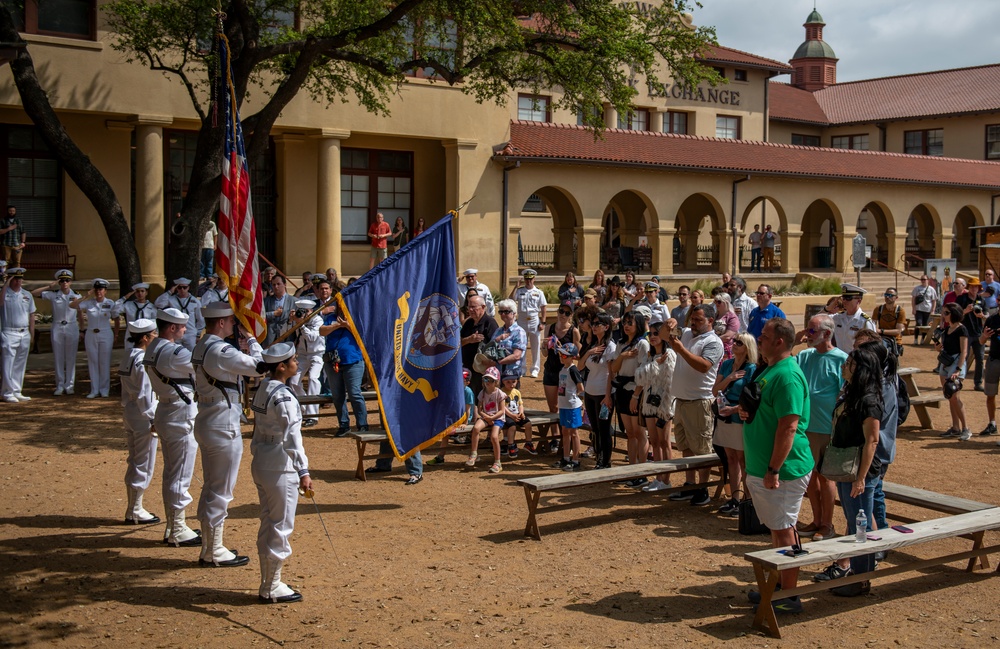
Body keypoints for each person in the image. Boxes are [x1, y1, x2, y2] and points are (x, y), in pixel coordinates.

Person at [741, 318, 813, 615]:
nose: (759, 338)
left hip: (782, 471)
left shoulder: (787, 376)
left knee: (784, 530)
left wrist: (773, 470)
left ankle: (790, 595)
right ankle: (779, 586)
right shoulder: (772, 368)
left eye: (765, 335)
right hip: (767, 468)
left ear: (779, 341)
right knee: (779, 528)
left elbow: (789, 427)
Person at [192, 301, 264, 567]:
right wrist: (253, 341)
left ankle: (210, 546)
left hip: (209, 418)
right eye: (232, 321)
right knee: (221, 491)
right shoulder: (221, 349)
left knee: (212, 486)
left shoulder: (202, 345)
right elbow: (259, 366)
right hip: (222, 423)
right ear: (220, 322)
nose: (235, 326)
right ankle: (214, 550)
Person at [813, 344, 884, 598]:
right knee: (853, 523)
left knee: (859, 527)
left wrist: (862, 478)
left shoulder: (869, 401)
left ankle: (861, 579)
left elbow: (872, 442)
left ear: (861, 369)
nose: (844, 366)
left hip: (860, 471)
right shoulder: (850, 394)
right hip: (847, 467)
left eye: (850, 364)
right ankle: (856, 573)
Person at [250, 342, 311, 604]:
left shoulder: (264, 387)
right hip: (279, 462)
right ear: (282, 367)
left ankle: (269, 582)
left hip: (262, 458)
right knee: (281, 524)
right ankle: (271, 585)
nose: (297, 364)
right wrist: (303, 470)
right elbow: (292, 437)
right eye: (294, 360)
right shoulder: (283, 396)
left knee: (269, 521)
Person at [145, 307, 201, 547]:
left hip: (166, 411)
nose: (185, 330)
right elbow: (202, 366)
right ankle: (177, 528)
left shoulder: (152, 347)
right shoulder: (175, 352)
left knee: (171, 472)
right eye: (181, 326)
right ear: (171, 328)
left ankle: (173, 525)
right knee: (180, 475)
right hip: (180, 413)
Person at [666, 303, 724, 507]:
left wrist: (681, 350)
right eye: (693, 318)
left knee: (702, 448)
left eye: (699, 319)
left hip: (700, 401)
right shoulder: (688, 333)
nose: (694, 322)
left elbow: (703, 366)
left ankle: (702, 488)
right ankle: (689, 485)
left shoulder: (713, 342)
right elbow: (666, 333)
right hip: (682, 400)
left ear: (710, 321)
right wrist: (670, 323)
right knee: (686, 447)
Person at [794, 314, 846, 542]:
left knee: (826, 478)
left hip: (828, 429)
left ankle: (827, 524)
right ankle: (816, 519)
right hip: (805, 428)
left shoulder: (841, 359)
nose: (808, 334)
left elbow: (845, 397)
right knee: (810, 477)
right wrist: (794, 341)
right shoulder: (804, 356)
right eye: (807, 330)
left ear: (827, 334)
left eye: (812, 331)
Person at [119, 318, 160, 525]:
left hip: (130, 411)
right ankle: (135, 509)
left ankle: (133, 507)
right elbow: (145, 393)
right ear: (145, 338)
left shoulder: (128, 356)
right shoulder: (142, 359)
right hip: (143, 414)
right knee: (143, 461)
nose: (156, 337)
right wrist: (153, 418)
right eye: (154, 334)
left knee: (135, 459)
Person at [712, 331, 757, 515]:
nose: (734, 344)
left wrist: (734, 409)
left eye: (739, 342)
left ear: (747, 347)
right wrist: (730, 378)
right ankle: (735, 499)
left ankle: (747, 501)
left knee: (742, 460)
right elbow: (715, 390)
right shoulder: (727, 364)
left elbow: (752, 398)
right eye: (734, 341)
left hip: (739, 417)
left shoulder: (752, 369)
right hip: (724, 416)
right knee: (730, 458)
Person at [317, 279, 369, 438]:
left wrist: (347, 325)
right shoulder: (331, 316)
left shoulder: (357, 316)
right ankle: (344, 424)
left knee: (354, 393)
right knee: (338, 395)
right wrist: (337, 325)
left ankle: (362, 424)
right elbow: (321, 331)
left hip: (352, 360)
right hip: (332, 361)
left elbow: (363, 333)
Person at [610, 309, 650, 487]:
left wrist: (636, 395)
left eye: (630, 323)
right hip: (622, 390)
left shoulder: (643, 345)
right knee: (630, 433)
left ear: (638, 325)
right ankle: (631, 470)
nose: (626, 326)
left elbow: (644, 373)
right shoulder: (620, 343)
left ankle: (641, 473)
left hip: (635, 390)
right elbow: (613, 368)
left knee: (640, 433)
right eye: (624, 322)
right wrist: (623, 356)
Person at [635, 321, 676, 491]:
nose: (652, 337)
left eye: (656, 333)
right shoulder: (650, 357)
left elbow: (670, 381)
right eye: (650, 333)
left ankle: (666, 480)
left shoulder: (671, 354)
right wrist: (655, 364)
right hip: (649, 403)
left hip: (664, 404)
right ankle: (658, 478)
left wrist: (652, 367)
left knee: (665, 442)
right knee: (655, 441)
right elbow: (639, 378)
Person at [71, 279, 123, 399]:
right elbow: (72, 305)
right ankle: (94, 389)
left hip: (105, 333)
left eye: (101, 289)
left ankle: (104, 389)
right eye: (96, 289)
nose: (98, 292)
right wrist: (86, 295)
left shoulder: (110, 303)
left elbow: (116, 320)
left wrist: (116, 335)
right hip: (91, 333)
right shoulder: (89, 303)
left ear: (105, 291)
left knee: (104, 362)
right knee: (93, 361)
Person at [32, 269, 81, 395]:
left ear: (70, 282)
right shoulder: (53, 294)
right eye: (62, 280)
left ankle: (69, 385)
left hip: (72, 327)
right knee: (58, 357)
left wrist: (82, 330)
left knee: (71, 357)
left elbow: (80, 314)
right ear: (59, 282)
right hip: (58, 327)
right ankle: (60, 385)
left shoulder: (77, 295)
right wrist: (49, 286)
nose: (64, 283)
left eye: (67, 280)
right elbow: (34, 293)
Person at [540, 301, 580, 453]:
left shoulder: (574, 331)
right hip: (550, 370)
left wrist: (561, 348)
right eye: (561, 311)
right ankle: (555, 439)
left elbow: (578, 354)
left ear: (571, 315)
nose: (563, 315)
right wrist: (545, 346)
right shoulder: (550, 328)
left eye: (567, 313)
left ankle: (567, 440)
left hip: (567, 374)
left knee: (566, 405)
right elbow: (544, 353)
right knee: (553, 407)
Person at [580, 312, 617, 469]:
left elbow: (611, 374)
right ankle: (598, 456)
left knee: (604, 428)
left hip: (603, 393)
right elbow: (580, 366)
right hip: (590, 392)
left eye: (597, 324)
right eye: (593, 324)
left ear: (606, 327)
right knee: (594, 428)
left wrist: (608, 396)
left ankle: (605, 460)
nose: (593, 327)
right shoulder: (593, 345)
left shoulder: (610, 346)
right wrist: (588, 352)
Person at [935, 302, 970, 440]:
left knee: (955, 397)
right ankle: (955, 427)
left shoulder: (962, 329)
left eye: (946, 313)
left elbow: (964, 351)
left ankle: (966, 428)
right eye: (943, 312)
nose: (944, 316)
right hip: (945, 363)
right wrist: (938, 348)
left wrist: (958, 369)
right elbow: (944, 348)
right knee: (950, 396)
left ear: (954, 313)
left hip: (956, 364)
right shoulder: (946, 329)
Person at [1, 267, 35, 402]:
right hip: (9, 332)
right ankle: (6, 392)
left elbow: (31, 314)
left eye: (20, 278)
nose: (17, 281)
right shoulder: (4, 293)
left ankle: (16, 390)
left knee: (20, 364)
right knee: (7, 363)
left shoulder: (27, 294)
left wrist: (31, 334)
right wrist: (5, 284)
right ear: (10, 279)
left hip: (24, 332)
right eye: (15, 278)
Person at [289, 298, 324, 428]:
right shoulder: (298, 319)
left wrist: (301, 324)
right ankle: (304, 409)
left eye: (307, 311)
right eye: (301, 311)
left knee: (313, 379)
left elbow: (311, 337)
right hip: (302, 354)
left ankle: (313, 416)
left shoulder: (318, 320)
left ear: (312, 310)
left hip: (317, 353)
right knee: (293, 381)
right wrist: (292, 320)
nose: (304, 314)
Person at [466, 366, 506, 473]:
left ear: (496, 382)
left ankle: (497, 462)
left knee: (494, 437)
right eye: (486, 379)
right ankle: (474, 454)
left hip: (497, 418)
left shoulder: (499, 393)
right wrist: (487, 417)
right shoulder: (482, 393)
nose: (488, 382)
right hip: (486, 416)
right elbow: (479, 409)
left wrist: (492, 418)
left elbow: (502, 411)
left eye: (491, 380)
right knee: (476, 429)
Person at [553, 343, 586, 471]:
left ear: (572, 357)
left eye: (564, 355)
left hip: (572, 406)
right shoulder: (562, 369)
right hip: (563, 405)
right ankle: (566, 457)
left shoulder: (573, 370)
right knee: (565, 432)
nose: (562, 357)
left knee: (574, 433)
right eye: (561, 354)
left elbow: (581, 388)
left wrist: (575, 397)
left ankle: (576, 460)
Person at [509, 268, 547, 378]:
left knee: (535, 346)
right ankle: (522, 368)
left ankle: (535, 369)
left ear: (534, 279)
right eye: (526, 279)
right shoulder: (520, 291)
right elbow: (511, 299)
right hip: (521, 320)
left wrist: (543, 322)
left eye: (530, 279)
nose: (528, 281)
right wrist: (516, 286)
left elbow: (543, 307)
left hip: (534, 320)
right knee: (521, 345)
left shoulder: (539, 292)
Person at [460, 294, 498, 398]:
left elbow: (496, 345)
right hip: (466, 367)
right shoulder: (468, 323)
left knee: (480, 397)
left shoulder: (490, 323)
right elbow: (458, 343)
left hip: (481, 369)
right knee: (468, 396)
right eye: (469, 307)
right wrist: (469, 340)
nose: (470, 309)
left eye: (474, 307)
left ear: (483, 307)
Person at [155, 277, 205, 350]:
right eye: (179, 287)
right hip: (175, 332)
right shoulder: (171, 299)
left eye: (184, 287)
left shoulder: (195, 301)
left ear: (188, 288)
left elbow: (200, 318)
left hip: (190, 333)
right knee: (174, 352)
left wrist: (198, 333)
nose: (182, 290)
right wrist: (170, 292)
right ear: (176, 288)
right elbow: (158, 304)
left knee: (191, 354)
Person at [955, 277, 986, 390]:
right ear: (968, 287)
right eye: (972, 286)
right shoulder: (961, 299)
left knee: (980, 358)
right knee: (963, 357)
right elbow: (955, 316)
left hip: (978, 333)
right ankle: (958, 380)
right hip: (965, 333)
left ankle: (978, 383)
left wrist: (982, 316)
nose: (974, 288)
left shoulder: (981, 300)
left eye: (976, 286)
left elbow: (986, 316)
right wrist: (965, 311)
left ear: (979, 288)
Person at [500, 368, 533, 459]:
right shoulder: (501, 392)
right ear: (503, 382)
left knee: (528, 424)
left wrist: (521, 413)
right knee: (512, 427)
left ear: (517, 381)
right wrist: (512, 416)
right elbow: (503, 407)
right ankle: (511, 445)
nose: (511, 384)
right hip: (506, 415)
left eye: (513, 382)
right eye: (508, 382)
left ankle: (528, 443)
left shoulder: (517, 392)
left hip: (517, 414)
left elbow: (520, 404)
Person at [490, 299, 527, 379]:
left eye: (506, 312)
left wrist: (498, 362)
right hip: (496, 374)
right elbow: (490, 347)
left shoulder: (519, 332)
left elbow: (517, 356)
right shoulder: (498, 331)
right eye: (501, 312)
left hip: (511, 375)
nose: (503, 314)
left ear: (514, 313)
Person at [116, 282, 157, 351]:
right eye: (137, 291)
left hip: (146, 336)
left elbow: (154, 323)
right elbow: (115, 309)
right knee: (129, 353)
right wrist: (125, 297)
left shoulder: (151, 307)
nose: (140, 293)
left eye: (142, 291)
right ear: (134, 293)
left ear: (146, 293)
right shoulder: (129, 305)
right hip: (131, 334)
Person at [979, 311, 1000, 436]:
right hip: (993, 360)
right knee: (990, 394)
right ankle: (992, 423)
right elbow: (981, 341)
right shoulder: (991, 319)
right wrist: (985, 336)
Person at [264, 275, 297, 346]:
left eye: (278, 284)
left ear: (285, 284)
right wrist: (273, 314)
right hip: (270, 338)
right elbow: (260, 316)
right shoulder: (266, 301)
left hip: (287, 338)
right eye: (274, 285)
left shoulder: (294, 301)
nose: (276, 287)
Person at [873, 287, 906, 357]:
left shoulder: (900, 311)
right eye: (886, 295)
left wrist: (881, 331)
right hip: (880, 337)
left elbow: (898, 331)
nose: (887, 297)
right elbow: (873, 325)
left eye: (891, 295)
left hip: (894, 339)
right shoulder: (878, 309)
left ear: (896, 297)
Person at [713, 292, 740, 359]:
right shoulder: (714, 316)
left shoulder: (732, 317)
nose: (716, 304)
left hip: (726, 351)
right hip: (714, 348)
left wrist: (712, 340)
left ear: (726, 302)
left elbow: (728, 336)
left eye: (719, 302)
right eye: (715, 301)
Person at [910, 274, 937, 343]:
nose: (923, 281)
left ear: (928, 280)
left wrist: (933, 310)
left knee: (925, 325)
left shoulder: (931, 289)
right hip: (918, 309)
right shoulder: (917, 288)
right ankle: (915, 339)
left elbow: (934, 300)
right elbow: (913, 299)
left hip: (927, 310)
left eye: (924, 279)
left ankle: (922, 338)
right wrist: (913, 308)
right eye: (921, 279)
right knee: (918, 323)